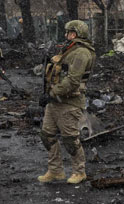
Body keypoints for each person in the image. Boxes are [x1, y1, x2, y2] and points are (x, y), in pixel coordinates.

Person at [37, 20, 96, 185]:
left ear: (76, 34)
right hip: (55, 101)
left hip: (69, 102)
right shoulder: (68, 50)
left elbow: (73, 81)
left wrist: (51, 93)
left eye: (69, 32)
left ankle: (79, 171)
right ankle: (55, 170)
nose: (65, 35)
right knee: (47, 135)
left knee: (70, 139)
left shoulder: (82, 53)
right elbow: (57, 70)